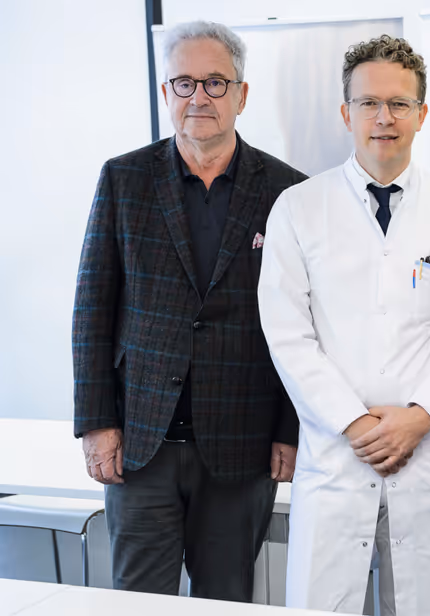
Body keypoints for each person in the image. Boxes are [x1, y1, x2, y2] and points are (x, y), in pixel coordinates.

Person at [72, 21, 305, 601]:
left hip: (242, 445)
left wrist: (290, 429)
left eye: (215, 82)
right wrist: (97, 424)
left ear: (241, 95)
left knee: (225, 602)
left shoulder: (287, 192)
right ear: (166, 93)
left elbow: (301, 324)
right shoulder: (124, 179)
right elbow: (92, 311)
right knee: (137, 602)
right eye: (184, 83)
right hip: (140, 444)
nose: (199, 96)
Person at [258, 35, 430, 616]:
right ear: (346, 113)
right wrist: (355, 422)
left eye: (399, 103)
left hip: (429, 456)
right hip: (338, 454)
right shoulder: (298, 208)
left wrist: (419, 417)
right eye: (368, 103)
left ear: (422, 114)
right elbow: (288, 336)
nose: (384, 118)